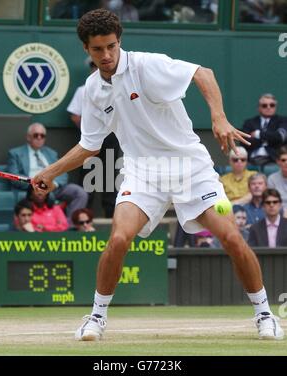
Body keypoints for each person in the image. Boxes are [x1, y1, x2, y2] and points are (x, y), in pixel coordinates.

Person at [33, 9, 284, 341]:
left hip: (191, 168)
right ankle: (96, 317)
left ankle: (264, 313)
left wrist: (219, 118)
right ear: (86, 49)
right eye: (98, 49)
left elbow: (203, 73)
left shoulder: (146, 65)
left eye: (111, 46)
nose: (106, 55)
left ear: (119, 41)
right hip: (141, 173)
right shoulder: (93, 91)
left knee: (232, 238)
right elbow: (89, 146)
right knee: (119, 238)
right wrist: (50, 172)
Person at [67, 58, 120, 218]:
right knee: (88, 176)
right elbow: (75, 116)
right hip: (90, 140)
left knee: (110, 175)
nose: (96, 69)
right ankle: (84, 217)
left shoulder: (116, 89)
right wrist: (91, 129)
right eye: (93, 66)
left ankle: (111, 214)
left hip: (111, 138)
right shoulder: (83, 90)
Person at [7, 123, 88, 224]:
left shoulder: (51, 153)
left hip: (53, 186)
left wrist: (54, 184)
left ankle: (68, 226)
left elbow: (63, 172)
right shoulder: (16, 153)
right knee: (44, 195)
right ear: (28, 137)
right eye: (36, 135)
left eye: (42, 136)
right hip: (32, 189)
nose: (39, 138)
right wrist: (34, 183)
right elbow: (13, 176)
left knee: (79, 192)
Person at [242, 93, 287, 166]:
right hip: (251, 160)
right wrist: (270, 138)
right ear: (259, 108)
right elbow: (245, 141)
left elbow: (280, 137)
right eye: (264, 105)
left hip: (274, 159)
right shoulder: (249, 123)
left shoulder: (283, 121)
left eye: (272, 105)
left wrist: (258, 134)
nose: (268, 107)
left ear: (275, 107)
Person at [267, 145, 287, 216]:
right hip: (278, 213)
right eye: (283, 160)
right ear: (278, 162)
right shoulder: (272, 179)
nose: (286, 163)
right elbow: (271, 201)